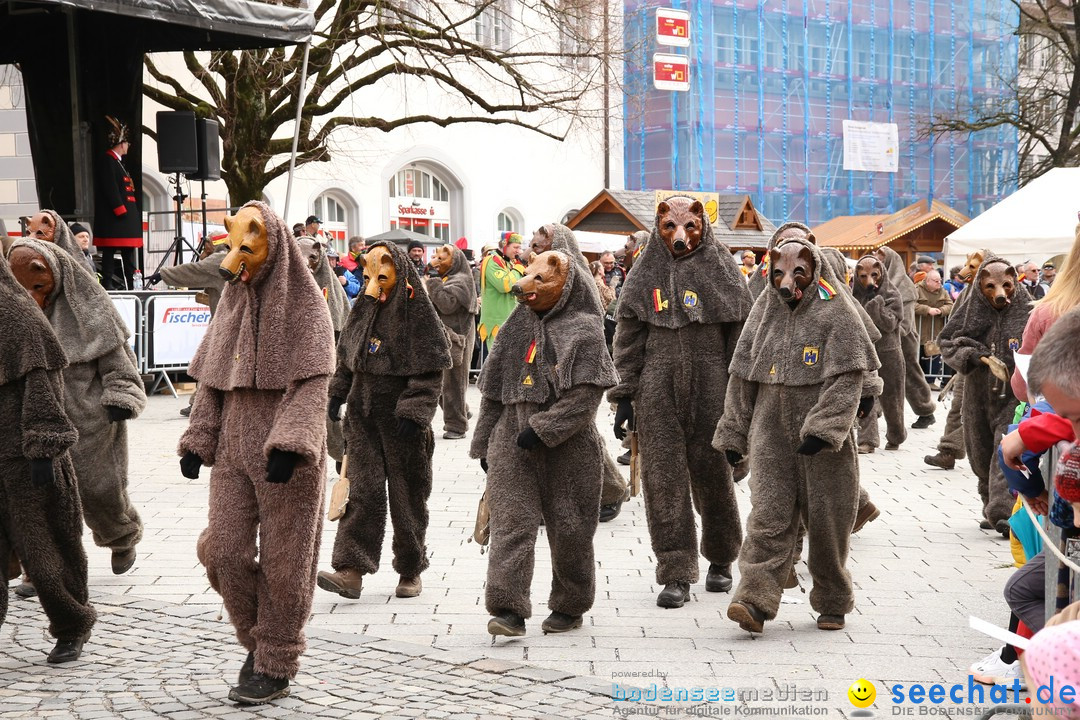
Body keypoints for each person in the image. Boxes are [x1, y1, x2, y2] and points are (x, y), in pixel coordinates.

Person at [178, 202, 334, 705]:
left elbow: (313, 383)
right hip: (231, 450)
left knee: (288, 566)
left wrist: (292, 443)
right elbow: (212, 379)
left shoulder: (306, 304)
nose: (236, 256)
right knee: (222, 551)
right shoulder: (231, 300)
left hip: (286, 455)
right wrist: (199, 439)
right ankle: (257, 641)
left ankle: (275, 661)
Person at [714, 236, 881, 634]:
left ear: (815, 269)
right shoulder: (764, 311)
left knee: (827, 520)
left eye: (798, 272)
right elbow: (742, 377)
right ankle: (753, 599)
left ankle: (832, 599)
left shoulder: (836, 309)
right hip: (769, 430)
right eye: (779, 273)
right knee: (768, 516)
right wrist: (734, 434)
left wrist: (826, 428)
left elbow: (849, 375)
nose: (787, 281)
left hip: (825, 442)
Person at [609, 197, 751, 608]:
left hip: (711, 384)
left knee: (713, 476)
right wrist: (624, 396)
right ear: (659, 226)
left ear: (702, 225)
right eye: (670, 227)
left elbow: (739, 341)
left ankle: (722, 556)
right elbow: (628, 339)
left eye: (688, 226)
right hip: (657, 387)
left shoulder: (723, 268)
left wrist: (736, 401)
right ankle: (675, 570)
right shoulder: (645, 270)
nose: (679, 236)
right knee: (662, 481)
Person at [470, 249, 618, 636]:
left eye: (541, 280)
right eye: (528, 276)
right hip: (511, 439)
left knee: (571, 528)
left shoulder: (585, 329)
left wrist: (545, 427)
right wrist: (484, 442)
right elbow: (492, 391)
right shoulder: (515, 328)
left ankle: (570, 604)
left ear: (565, 284)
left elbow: (586, 397)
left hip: (568, 447)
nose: (526, 286)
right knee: (511, 523)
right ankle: (508, 609)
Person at [318, 242, 452, 602]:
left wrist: (415, 412)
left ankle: (410, 568)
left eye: (381, 275)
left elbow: (430, 370)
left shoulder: (417, 314)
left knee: (408, 497)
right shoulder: (363, 308)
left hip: (401, 423)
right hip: (362, 420)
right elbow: (347, 357)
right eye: (368, 275)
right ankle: (351, 569)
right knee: (362, 492)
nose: (374, 284)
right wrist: (337, 393)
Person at [9, 237, 146, 576]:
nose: (31, 297)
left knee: (101, 491)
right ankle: (42, 569)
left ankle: (121, 535)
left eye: (38, 287)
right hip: (35, 423)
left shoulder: (92, 315)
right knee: (41, 500)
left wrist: (121, 399)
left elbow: (120, 368)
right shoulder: (15, 317)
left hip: (90, 424)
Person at [0, 250, 96, 663]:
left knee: (46, 554)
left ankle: (72, 624)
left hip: (26, 459)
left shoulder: (18, 315)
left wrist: (43, 445)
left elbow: (43, 383)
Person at [875, 246, 937, 429]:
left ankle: (926, 411)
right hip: (881, 338)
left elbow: (906, 323)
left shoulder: (905, 286)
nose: (877, 261)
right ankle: (872, 412)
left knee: (911, 376)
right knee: (876, 375)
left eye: (881, 258)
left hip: (903, 339)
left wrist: (887, 329)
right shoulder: (876, 283)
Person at [426, 244, 477, 440]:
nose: (437, 261)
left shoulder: (461, 280)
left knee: (454, 382)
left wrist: (433, 284)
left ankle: (457, 425)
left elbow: (447, 306)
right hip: (446, 337)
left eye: (442, 258)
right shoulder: (450, 278)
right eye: (436, 256)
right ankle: (461, 410)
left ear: (454, 261)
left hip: (458, 338)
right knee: (442, 382)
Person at [93, 116, 141, 290]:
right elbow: (110, 187)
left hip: (123, 220)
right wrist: (119, 209)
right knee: (109, 251)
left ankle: (132, 282)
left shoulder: (117, 163)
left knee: (128, 253)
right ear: (121, 144)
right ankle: (107, 282)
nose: (128, 147)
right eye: (127, 143)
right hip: (115, 218)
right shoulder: (108, 161)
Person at [478, 232, 525, 350]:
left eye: (520, 247)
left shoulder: (510, 262)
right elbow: (504, 285)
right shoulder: (491, 261)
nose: (519, 251)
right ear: (505, 245)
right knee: (498, 365)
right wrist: (519, 268)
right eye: (515, 247)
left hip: (511, 321)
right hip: (497, 324)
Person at [914, 269, 954, 386]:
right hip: (919, 329)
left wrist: (941, 311)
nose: (939, 283)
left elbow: (950, 305)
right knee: (919, 356)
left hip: (935, 329)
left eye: (940, 280)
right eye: (936, 281)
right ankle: (919, 382)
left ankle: (930, 381)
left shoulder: (943, 291)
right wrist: (927, 310)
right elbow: (911, 304)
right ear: (927, 281)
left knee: (934, 356)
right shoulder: (917, 290)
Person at [27, 210, 96, 275]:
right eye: (81, 237)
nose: (86, 239)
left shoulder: (88, 257)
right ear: (72, 239)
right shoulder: (66, 259)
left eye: (87, 236)